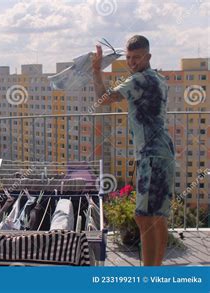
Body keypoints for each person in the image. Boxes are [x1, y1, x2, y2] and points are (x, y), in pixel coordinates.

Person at [91, 35, 175, 266]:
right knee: (157, 218)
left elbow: (102, 98)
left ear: (147, 56)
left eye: (136, 57)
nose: (131, 62)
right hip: (162, 153)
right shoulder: (158, 78)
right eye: (128, 57)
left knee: (144, 217)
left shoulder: (138, 80)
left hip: (151, 156)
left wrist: (96, 71)